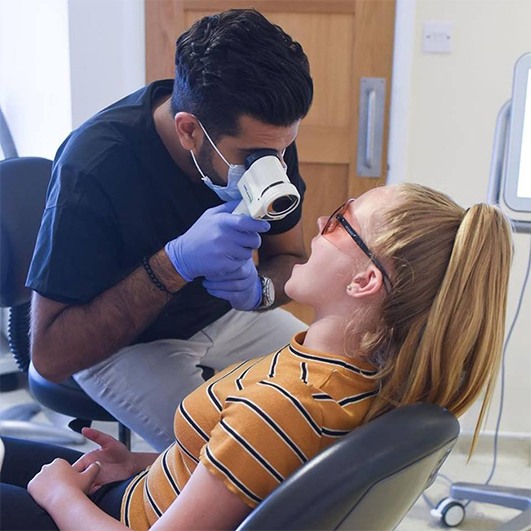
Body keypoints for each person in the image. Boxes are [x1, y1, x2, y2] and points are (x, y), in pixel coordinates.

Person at [0, 183, 513, 530]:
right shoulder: (356, 380)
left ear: (365, 280)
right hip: (138, 492)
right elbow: (251, 476)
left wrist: (60, 497)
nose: (317, 220)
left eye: (338, 222)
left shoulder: (284, 406)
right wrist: (145, 464)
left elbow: (259, 442)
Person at [26, 9, 314, 450]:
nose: (272, 165)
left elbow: (289, 259)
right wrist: (173, 264)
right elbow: (50, 356)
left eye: (284, 147)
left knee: (336, 397)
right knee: (236, 458)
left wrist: (261, 291)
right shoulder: (96, 166)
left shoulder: (265, 139)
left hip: (224, 317)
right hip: (123, 345)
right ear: (189, 131)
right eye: (254, 155)